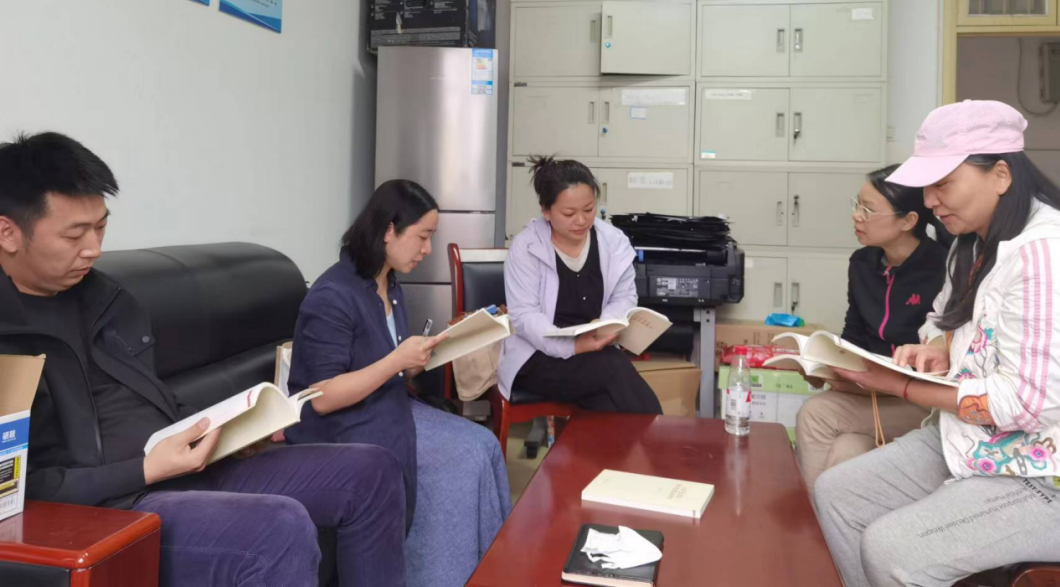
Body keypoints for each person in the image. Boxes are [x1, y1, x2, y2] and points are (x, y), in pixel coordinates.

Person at [0, 132, 407, 587]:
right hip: (111, 506)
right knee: (278, 528)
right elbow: (18, 489)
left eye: (100, 227)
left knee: (372, 471)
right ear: (8, 232)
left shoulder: (107, 300)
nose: (93, 248)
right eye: (75, 234)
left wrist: (228, 428)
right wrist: (146, 469)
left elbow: (149, 402)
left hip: (181, 466)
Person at [815, 100, 1060, 587]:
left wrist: (900, 386)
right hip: (969, 440)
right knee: (837, 492)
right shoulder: (970, 245)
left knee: (892, 548)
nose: (930, 201)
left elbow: (1029, 403)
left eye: (943, 183)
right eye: (927, 186)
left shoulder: (1042, 253)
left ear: (1001, 175)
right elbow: (940, 320)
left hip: (1040, 471)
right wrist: (939, 347)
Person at [286, 179, 511, 587]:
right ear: (389, 230)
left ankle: (490, 573)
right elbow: (323, 397)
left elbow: (387, 365)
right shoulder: (332, 296)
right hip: (341, 424)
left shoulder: (389, 284)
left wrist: (422, 357)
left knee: (485, 445)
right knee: (464, 458)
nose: (428, 249)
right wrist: (396, 362)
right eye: (422, 236)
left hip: (386, 404)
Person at [795, 164, 948, 495]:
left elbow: (943, 353)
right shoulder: (862, 263)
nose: (857, 216)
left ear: (908, 221)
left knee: (816, 413)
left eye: (868, 209)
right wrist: (823, 366)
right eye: (857, 205)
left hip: (919, 401)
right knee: (846, 451)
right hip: (869, 394)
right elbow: (853, 335)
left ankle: (807, 520)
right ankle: (823, 521)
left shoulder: (943, 268)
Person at [498, 156, 662, 414]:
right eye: (569, 213)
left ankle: (647, 438)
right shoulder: (526, 247)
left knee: (609, 403)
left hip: (595, 353)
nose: (581, 221)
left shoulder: (612, 241)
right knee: (612, 367)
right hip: (538, 358)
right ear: (546, 211)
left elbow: (624, 297)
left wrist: (604, 327)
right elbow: (525, 317)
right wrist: (573, 346)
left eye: (588, 209)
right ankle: (660, 436)